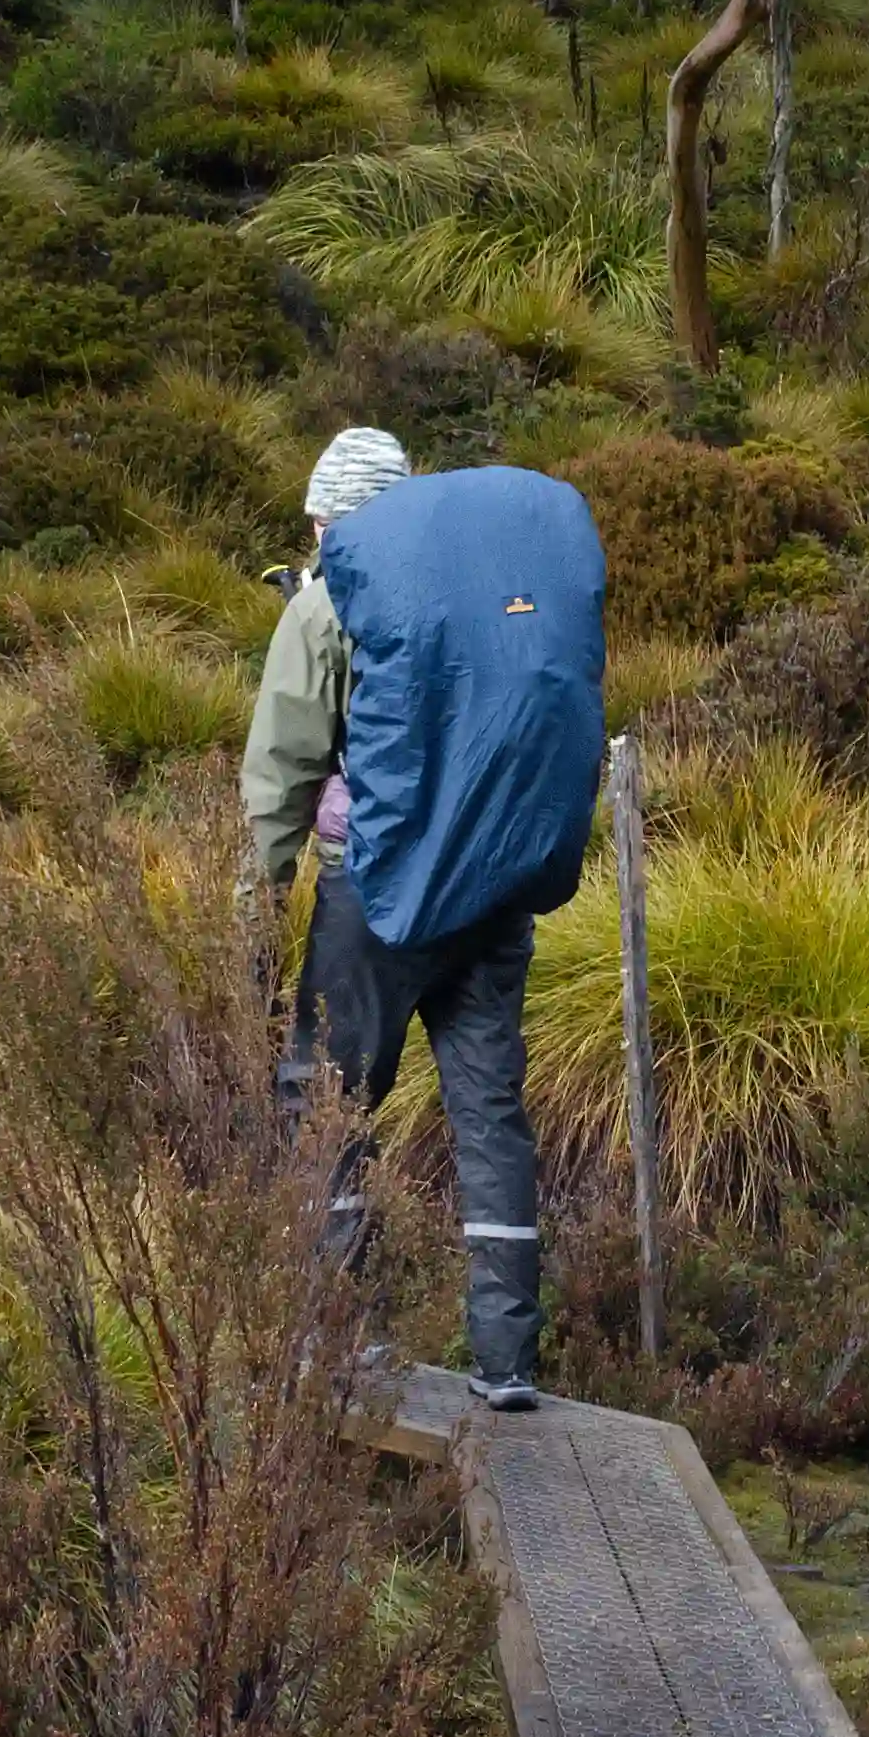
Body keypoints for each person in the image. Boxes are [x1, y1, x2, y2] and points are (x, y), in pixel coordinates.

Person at [243, 425, 606, 1413]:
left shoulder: (326, 605)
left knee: (329, 1107)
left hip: (377, 898)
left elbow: (280, 776)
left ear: (325, 517)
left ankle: (338, 1346)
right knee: (489, 1113)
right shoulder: (477, 596)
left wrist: (248, 916)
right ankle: (507, 1364)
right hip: (492, 890)